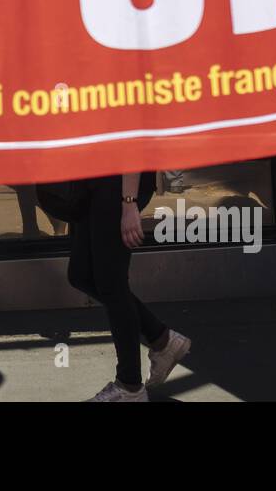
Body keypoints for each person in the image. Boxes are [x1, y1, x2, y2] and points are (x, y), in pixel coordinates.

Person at [68, 172, 191, 401]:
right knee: (81, 274)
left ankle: (130, 385)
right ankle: (162, 339)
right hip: (95, 182)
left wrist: (129, 202)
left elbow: (131, 142)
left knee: (111, 283)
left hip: (117, 186)